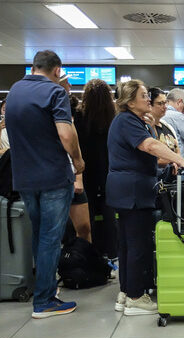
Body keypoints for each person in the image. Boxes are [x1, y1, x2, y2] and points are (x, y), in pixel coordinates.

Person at [107, 79, 184, 315]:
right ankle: (137, 297)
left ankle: (126, 293)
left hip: (125, 189)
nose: (148, 99)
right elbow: (150, 146)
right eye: (144, 96)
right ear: (129, 101)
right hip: (134, 190)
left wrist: (149, 126)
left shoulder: (129, 121)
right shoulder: (127, 121)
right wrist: (182, 160)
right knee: (138, 244)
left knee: (127, 245)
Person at [5, 51, 84, 319]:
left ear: (33, 66)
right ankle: (44, 300)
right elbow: (64, 132)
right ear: (57, 69)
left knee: (39, 236)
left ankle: (44, 289)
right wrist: (77, 160)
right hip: (52, 175)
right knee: (51, 238)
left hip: (24, 178)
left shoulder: (15, 89)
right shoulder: (55, 92)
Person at [74, 79, 118, 258]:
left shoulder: (79, 116)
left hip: (86, 170)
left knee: (88, 213)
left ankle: (91, 252)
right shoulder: (113, 118)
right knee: (110, 212)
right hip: (109, 169)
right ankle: (113, 250)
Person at [59, 75, 91, 244]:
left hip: (72, 175)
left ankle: (85, 265)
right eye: (66, 82)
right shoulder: (44, 109)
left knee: (84, 227)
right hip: (53, 178)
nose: (70, 85)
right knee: (57, 229)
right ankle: (59, 267)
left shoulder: (68, 113)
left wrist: (78, 175)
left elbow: (75, 144)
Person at [161, 88, 184, 159]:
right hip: (178, 162)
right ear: (179, 101)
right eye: (183, 107)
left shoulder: (159, 114)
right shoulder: (177, 116)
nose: (182, 111)